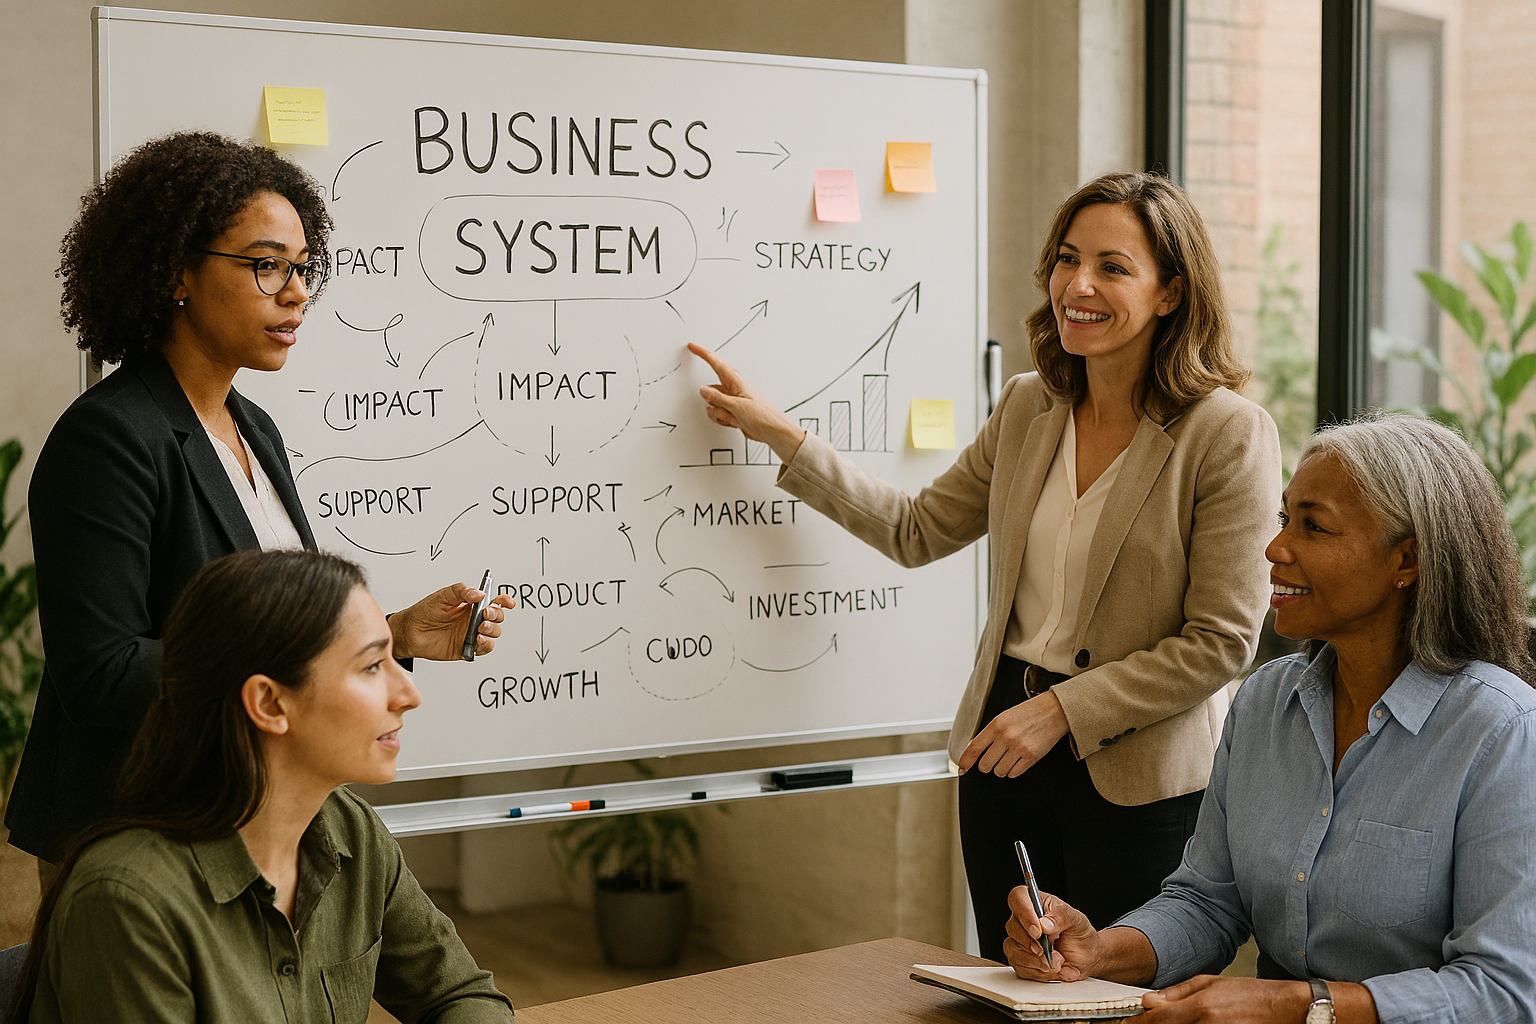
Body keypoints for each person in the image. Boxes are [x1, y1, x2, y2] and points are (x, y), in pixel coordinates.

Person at [689, 170, 1281, 958]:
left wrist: (1063, 712)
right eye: (1069, 259)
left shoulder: (1228, 432)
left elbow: (1222, 641)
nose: (1079, 284)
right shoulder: (1029, 405)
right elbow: (916, 529)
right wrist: (785, 439)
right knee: (1016, 981)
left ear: (1171, 293)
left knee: (1127, 999)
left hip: (1135, 768)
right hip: (1003, 747)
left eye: (1113, 267)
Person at [5, 131, 514, 866]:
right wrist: (308, 655)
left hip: (253, 821)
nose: (298, 291)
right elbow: (102, 675)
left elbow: (275, 624)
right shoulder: (109, 438)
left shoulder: (254, 427)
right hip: (138, 845)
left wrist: (395, 634)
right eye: (266, 266)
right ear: (177, 271)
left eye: (303, 268)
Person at [1004, 413, 1536, 1023]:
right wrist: (1099, 952)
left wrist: (1297, 1006)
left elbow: (1503, 992)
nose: (1275, 548)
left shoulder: (1503, 734)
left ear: (1406, 561)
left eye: (1313, 527)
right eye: (1286, 520)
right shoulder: (1263, 702)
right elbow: (1208, 904)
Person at [6, 549, 516, 1023]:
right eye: (370, 666)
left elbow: (461, 996)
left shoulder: (350, 829)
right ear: (270, 704)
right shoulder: (127, 902)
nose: (408, 693)